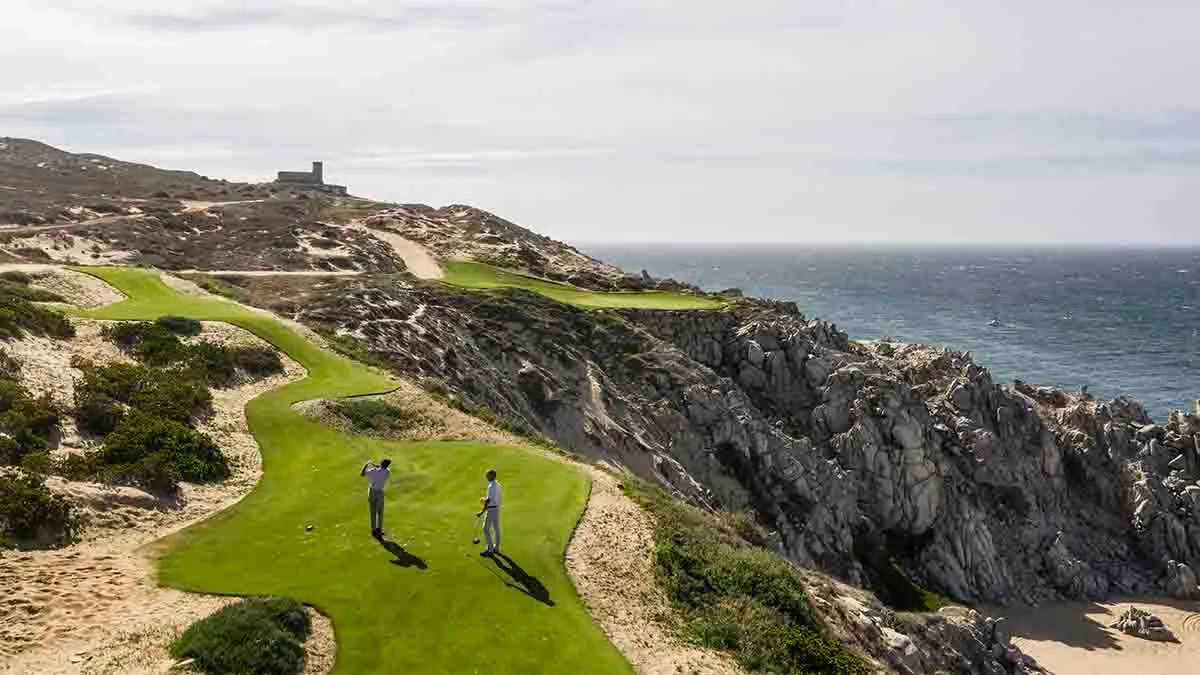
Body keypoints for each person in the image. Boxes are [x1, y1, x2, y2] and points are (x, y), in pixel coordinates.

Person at [361, 458, 391, 539]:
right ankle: (379, 530)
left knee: (373, 512)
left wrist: (366, 464)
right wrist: (375, 466)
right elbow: (382, 468)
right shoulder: (387, 472)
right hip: (380, 492)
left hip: (372, 492)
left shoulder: (374, 471)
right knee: (380, 512)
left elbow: (362, 474)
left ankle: (373, 530)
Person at [477, 469, 502, 556]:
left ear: (492, 476)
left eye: (488, 475)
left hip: (491, 509)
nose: (486, 477)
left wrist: (482, 511)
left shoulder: (491, 486)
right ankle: (496, 548)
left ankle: (490, 549)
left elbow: (488, 500)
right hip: (497, 508)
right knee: (496, 528)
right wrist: (485, 499)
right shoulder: (498, 484)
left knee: (485, 529)